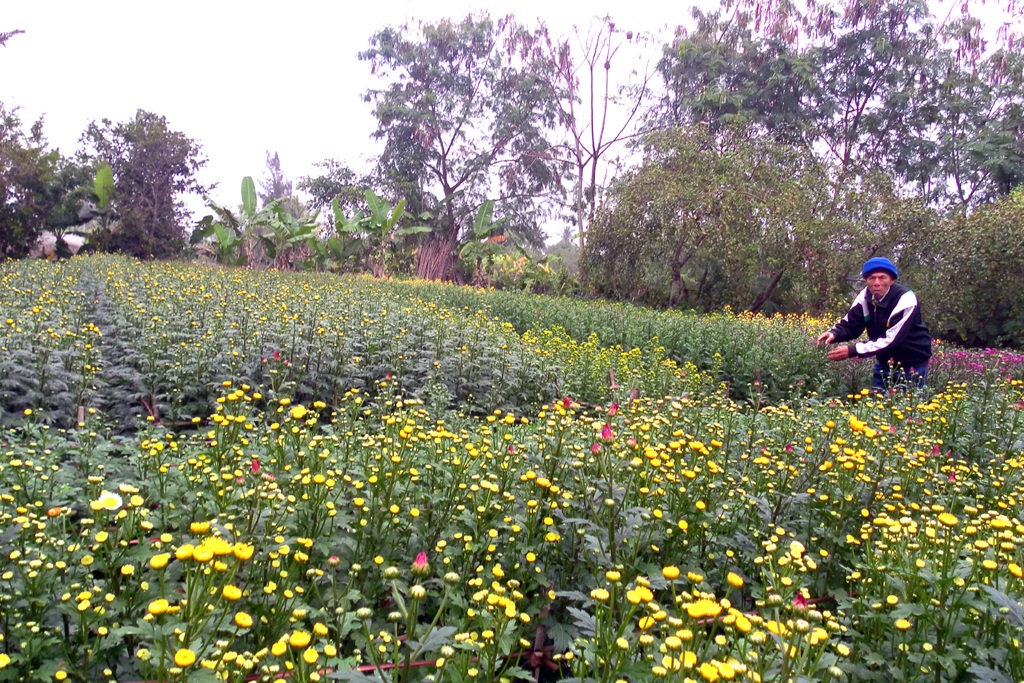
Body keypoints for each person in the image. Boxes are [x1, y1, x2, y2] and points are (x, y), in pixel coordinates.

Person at [816, 257, 932, 393]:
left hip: (912, 364)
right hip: (884, 362)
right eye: (872, 278)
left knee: (911, 410)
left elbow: (892, 339)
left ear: (892, 280)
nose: (877, 283)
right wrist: (834, 333)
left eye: (882, 278)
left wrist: (852, 350)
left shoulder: (906, 299)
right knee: (879, 407)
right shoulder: (865, 296)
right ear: (866, 280)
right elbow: (852, 323)